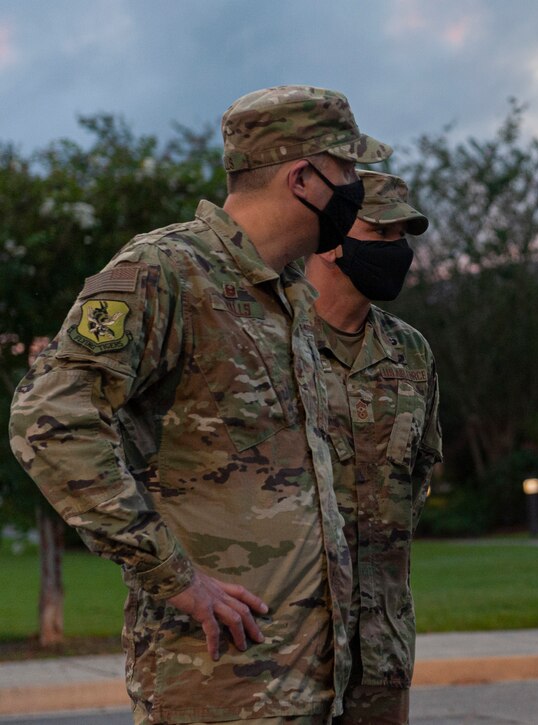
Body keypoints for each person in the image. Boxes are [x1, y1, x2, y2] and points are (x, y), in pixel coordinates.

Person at [8, 85, 392, 724]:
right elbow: (48, 421)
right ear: (302, 177)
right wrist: (176, 578)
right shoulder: (165, 272)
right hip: (217, 690)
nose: (356, 188)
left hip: (308, 683)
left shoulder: (290, 294)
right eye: (347, 170)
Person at [305, 171, 442, 725]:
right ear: (332, 238)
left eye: (401, 239)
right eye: (379, 234)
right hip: (289, 647)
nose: (396, 252)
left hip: (381, 646)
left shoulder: (411, 352)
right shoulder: (270, 342)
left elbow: (420, 471)